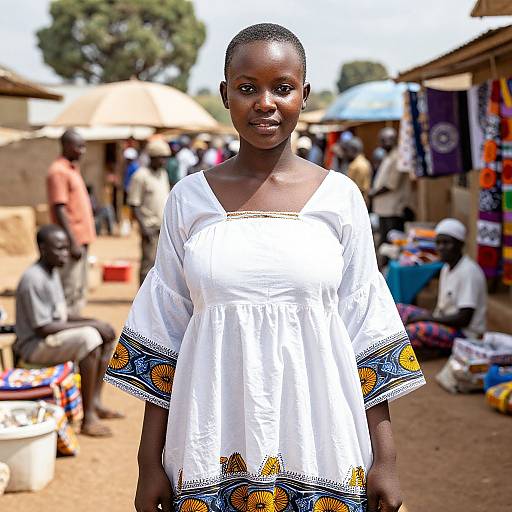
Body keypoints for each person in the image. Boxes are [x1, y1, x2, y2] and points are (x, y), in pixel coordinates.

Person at [105, 23, 424, 512]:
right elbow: (164, 335)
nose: (265, 103)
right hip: (211, 439)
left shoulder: (340, 199)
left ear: (304, 94)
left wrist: (387, 459)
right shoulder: (188, 200)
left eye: (282, 87)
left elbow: (366, 328)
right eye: (248, 88)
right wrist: (149, 463)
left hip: (322, 439)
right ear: (225, 94)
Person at [14, 225, 120, 436]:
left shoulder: (52, 271)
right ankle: (87, 418)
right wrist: (91, 326)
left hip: (51, 337)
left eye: (66, 248)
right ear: (43, 249)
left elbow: (62, 316)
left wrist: (95, 321)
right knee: (89, 338)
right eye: (59, 249)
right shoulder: (33, 279)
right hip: (34, 345)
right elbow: (43, 327)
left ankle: (95, 401)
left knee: (105, 333)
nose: (65, 253)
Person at [398, 219, 487, 354]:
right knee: (398, 310)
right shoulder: (446, 267)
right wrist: (429, 318)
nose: (441, 248)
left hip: (464, 334)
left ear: (460, 244)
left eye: (447, 243)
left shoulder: (469, 272)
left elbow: (463, 319)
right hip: (443, 320)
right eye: (438, 243)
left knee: (411, 331)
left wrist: (427, 319)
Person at [47, 129, 95, 316]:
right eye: (79, 146)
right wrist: (72, 241)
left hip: (81, 239)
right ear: (66, 146)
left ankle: (75, 324)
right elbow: (59, 208)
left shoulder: (72, 169)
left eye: (84, 146)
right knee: (69, 290)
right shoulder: (58, 171)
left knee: (79, 289)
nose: (82, 151)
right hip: (71, 241)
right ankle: (66, 331)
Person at [128, 138, 171, 286]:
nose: (164, 161)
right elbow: (133, 204)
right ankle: (143, 296)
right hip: (149, 227)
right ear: (152, 157)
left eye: (166, 158)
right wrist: (143, 227)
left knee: (162, 266)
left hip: (162, 227)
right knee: (148, 265)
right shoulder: (141, 176)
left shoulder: (163, 174)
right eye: (161, 158)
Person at [369, 128, 410, 245]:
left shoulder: (397, 157)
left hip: (392, 208)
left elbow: (391, 184)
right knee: (385, 241)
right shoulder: (388, 156)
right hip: (384, 208)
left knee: (391, 242)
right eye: (381, 140)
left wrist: (373, 193)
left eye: (384, 140)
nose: (382, 143)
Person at [345, 137, 372, 203]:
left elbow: (360, 188)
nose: (346, 153)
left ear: (352, 150)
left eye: (347, 150)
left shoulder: (358, 165)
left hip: (357, 201)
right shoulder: (364, 162)